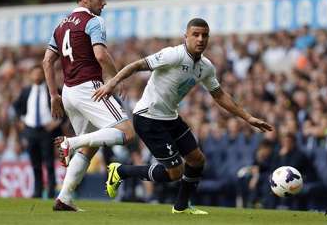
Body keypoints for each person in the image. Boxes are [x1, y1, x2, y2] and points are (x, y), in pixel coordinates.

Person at [93, 18, 273, 214]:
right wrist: (112, 82)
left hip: (170, 117)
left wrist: (248, 118)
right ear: (185, 36)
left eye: (204, 35)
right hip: (148, 118)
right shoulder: (173, 55)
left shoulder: (206, 66)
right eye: (195, 34)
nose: (200, 39)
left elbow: (219, 95)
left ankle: (181, 207)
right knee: (175, 172)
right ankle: (120, 171)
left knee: (197, 160)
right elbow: (137, 65)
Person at [42, 0, 135, 211]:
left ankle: (64, 198)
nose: (104, 3)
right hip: (89, 88)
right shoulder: (93, 21)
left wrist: (54, 94)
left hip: (69, 92)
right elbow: (101, 55)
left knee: (90, 146)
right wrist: (115, 79)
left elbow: (47, 61)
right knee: (126, 132)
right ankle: (69, 143)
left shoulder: (61, 25)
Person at [13, 64, 61, 198]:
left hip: (47, 130)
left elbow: (65, 107)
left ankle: (51, 191)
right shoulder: (26, 91)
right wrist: (21, 121)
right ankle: (37, 191)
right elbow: (16, 107)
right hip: (31, 130)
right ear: (30, 75)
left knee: (49, 162)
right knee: (35, 163)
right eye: (34, 73)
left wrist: (56, 122)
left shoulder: (52, 90)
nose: (37, 76)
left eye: (40, 73)